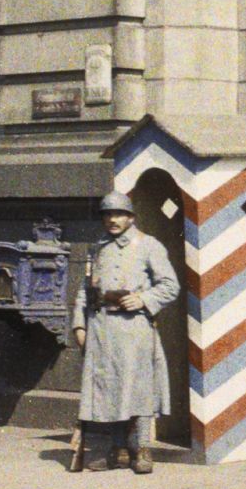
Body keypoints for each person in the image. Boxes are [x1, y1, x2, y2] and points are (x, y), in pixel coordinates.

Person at [68, 191, 180, 474]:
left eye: (118, 214)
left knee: (138, 387)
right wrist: (79, 325)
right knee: (111, 389)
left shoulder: (148, 245)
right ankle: (116, 449)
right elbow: (85, 290)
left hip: (134, 329)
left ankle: (142, 449)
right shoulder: (98, 248)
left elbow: (170, 286)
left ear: (131, 217)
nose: (112, 220)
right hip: (102, 329)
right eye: (107, 215)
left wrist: (143, 299)